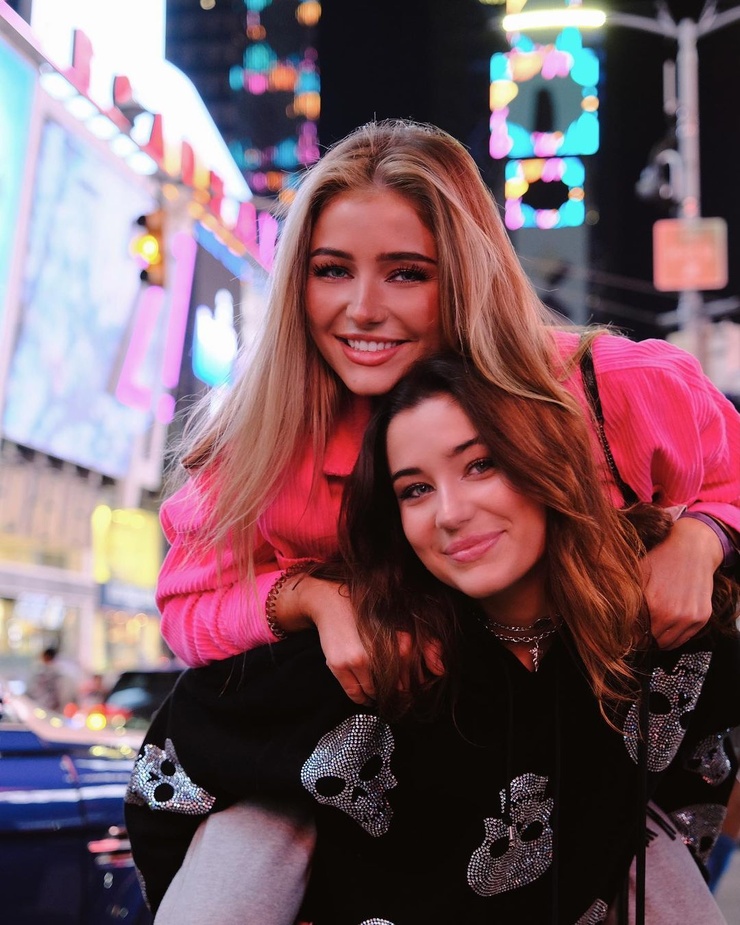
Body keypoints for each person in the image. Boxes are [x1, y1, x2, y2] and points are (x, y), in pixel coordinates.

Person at [149, 119, 740, 921]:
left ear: (464, 273)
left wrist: (704, 536)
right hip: (345, 769)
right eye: (331, 269)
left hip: (573, 765)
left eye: (406, 273)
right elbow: (188, 603)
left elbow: (727, 469)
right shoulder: (266, 442)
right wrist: (313, 598)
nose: (363, 309)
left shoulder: (608, 391)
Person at [126, 354, 740, 923]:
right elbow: (172, 782)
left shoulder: (663, 625)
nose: (450, 512)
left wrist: (706, 535)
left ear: (545, 463)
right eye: (415, 489)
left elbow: (697, 786)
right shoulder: (368, 660)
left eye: (481, 465)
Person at [26, 646, 65, 713]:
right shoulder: (60, 671)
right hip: (53, 709)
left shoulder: (44, 672)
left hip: (44, 707)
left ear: (46, 656)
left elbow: (34, 690)